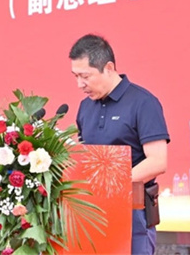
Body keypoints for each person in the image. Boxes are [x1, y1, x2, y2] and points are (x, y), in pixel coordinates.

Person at [70, 34, 170, 255]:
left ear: (108, 67)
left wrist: (110, 185)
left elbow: (157, 161)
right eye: (75, 76)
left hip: (133, 213)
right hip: (92, 214)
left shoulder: (143, 103)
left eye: (85, 76)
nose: (80, 84)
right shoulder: (85, 107)